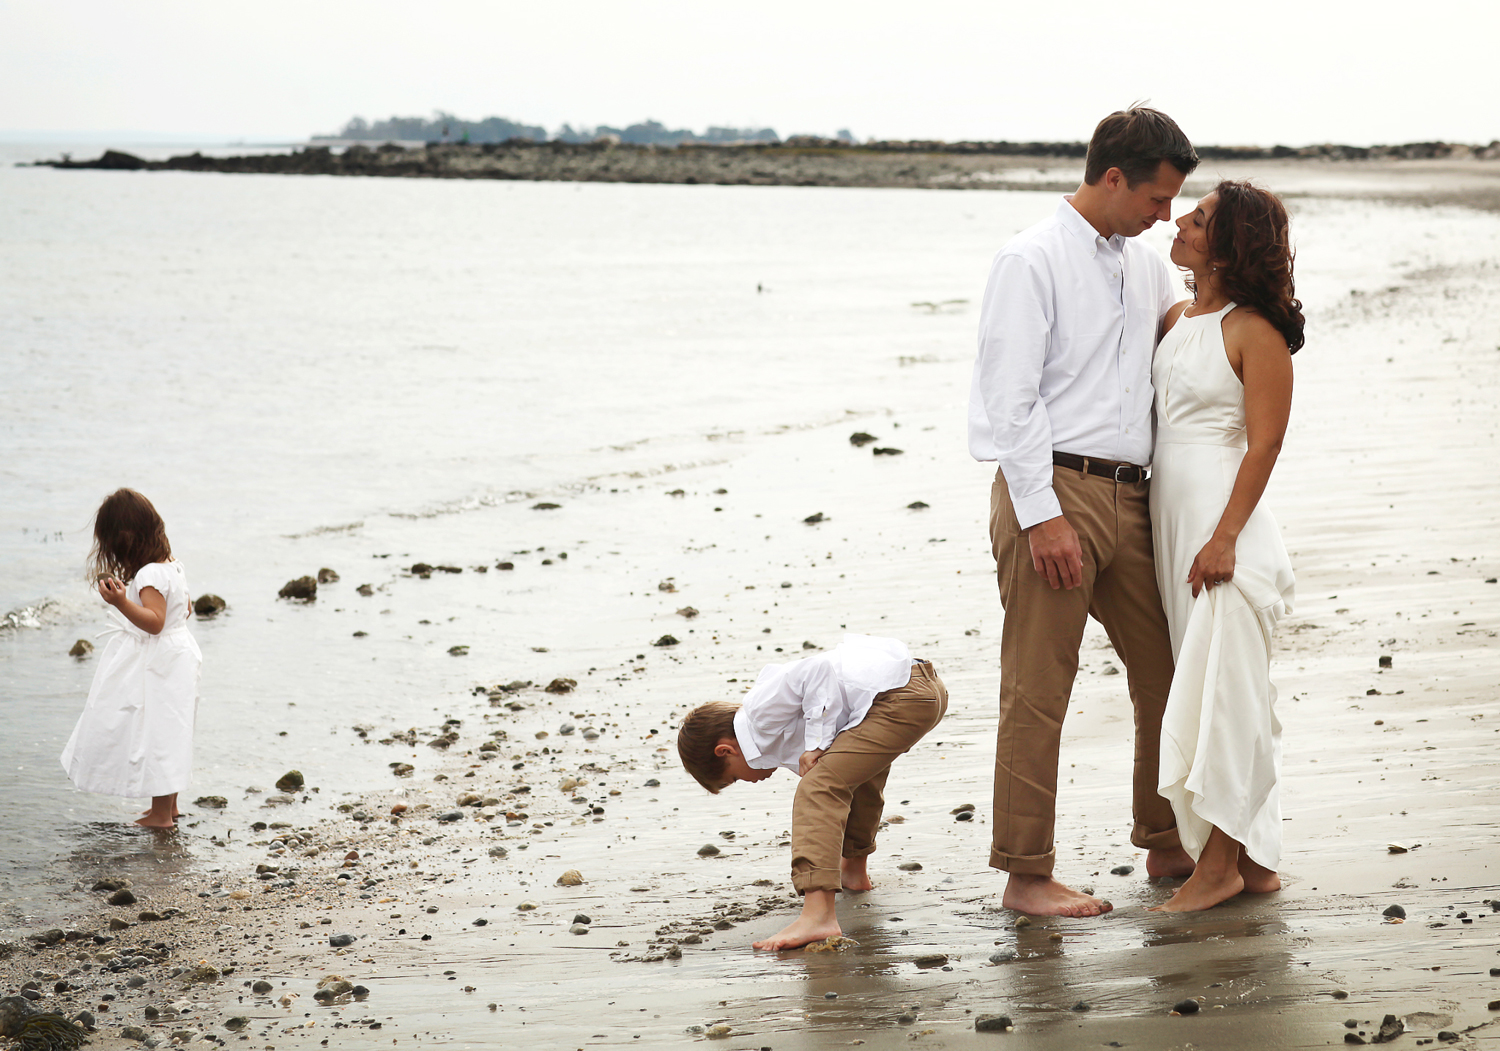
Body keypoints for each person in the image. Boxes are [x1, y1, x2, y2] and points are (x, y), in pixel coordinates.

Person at [967, 106, 1200, 917]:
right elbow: (1010, 398)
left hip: (1133, 493)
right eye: (1158, 199)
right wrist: (1041, 514)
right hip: (1052, 489)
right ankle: (1026, 875)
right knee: (1039, 687)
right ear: (1112, 177)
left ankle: (1165, 838)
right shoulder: (1028, 259)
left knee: (1167, 667)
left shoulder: (1147, 266)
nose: (1164, 216)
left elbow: (1176, 357)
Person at [1149, 181, 1303, 911]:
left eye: (1200, 218)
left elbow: (1266, 443)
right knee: (1214, 687)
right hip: (1173, 521)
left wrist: (1224, 537)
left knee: (1226, 697)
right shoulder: (1179, 316)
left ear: (1231, 243)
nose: (1181, 219)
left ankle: (1218, 867)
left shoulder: (1255, 329)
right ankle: (1256, 858)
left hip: (1226, 533)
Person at [676, 634, 947, 950]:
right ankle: (853, 873)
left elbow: (816, 670)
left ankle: (818, 914)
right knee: (853, 780)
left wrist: (817, 743)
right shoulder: (773, 738)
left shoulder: (758, 712)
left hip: (900, 694)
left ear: (726, 751)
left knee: (817, 788)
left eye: (735, 779)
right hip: (920, 690)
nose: (747, 783)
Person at [61, 489, 203, 829]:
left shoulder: (149, 575)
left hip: (161, 663)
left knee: (156, 733)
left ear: (125, 541)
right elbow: (185, 608)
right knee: (171, 730)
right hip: (178, 654)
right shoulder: (172, 565)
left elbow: (154, 623)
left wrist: (122, 603)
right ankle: (169, 807)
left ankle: (160, 816)